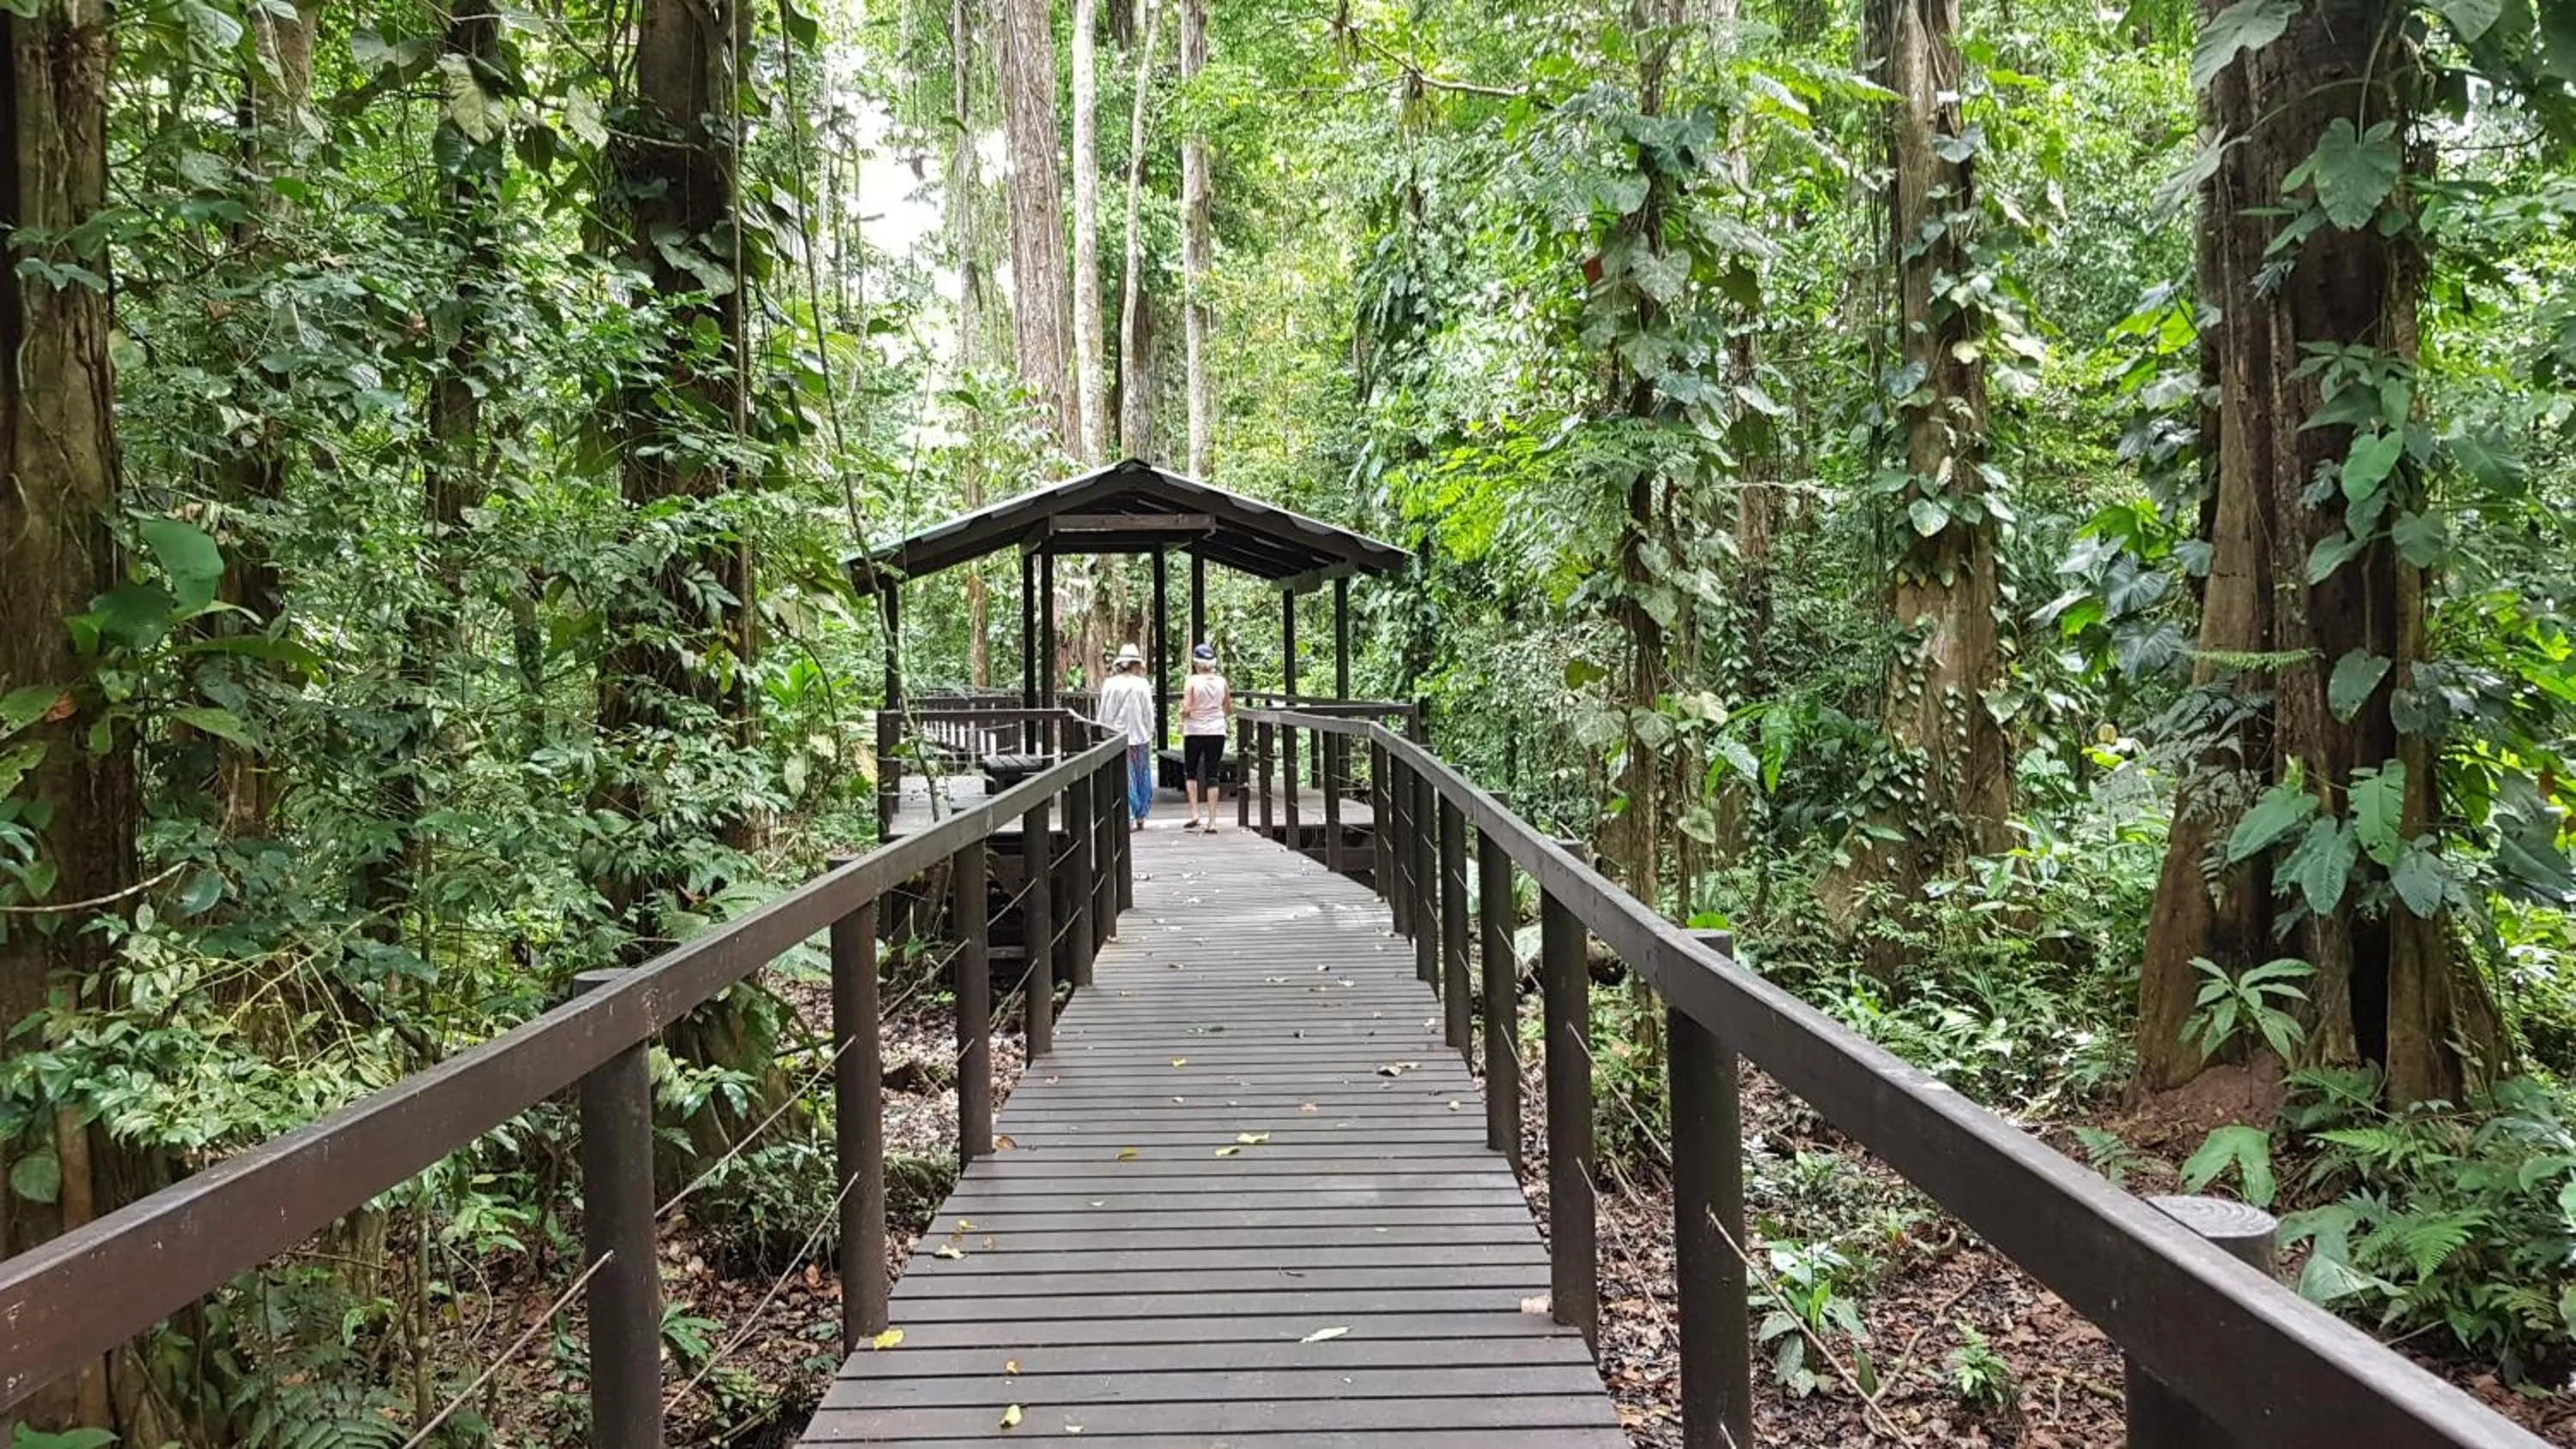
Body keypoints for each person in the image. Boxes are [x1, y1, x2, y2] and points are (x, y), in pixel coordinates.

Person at [1095, 642, 1155, 828]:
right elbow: (1148, 713)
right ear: (1135, 664)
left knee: (1124, 776)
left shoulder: (1110, 684)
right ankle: (1141, 816)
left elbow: (1103, 712)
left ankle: (1127, 815)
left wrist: (1102, 732)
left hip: (1117, 737)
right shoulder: (1142, 684)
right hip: (1140, 736)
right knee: (1142, 775)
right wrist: (1150, 731)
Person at [1178, 642, 1231, 831]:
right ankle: (1213, 821)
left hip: (1194, 731)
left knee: (1190, 772)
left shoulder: (1192, 681)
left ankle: (1194, 813)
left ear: (1196, 663)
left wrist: (1181, 718)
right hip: (1216, 731)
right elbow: (1228, 708)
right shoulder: (1221, 682)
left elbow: (1186, 708)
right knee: (1212, 774)